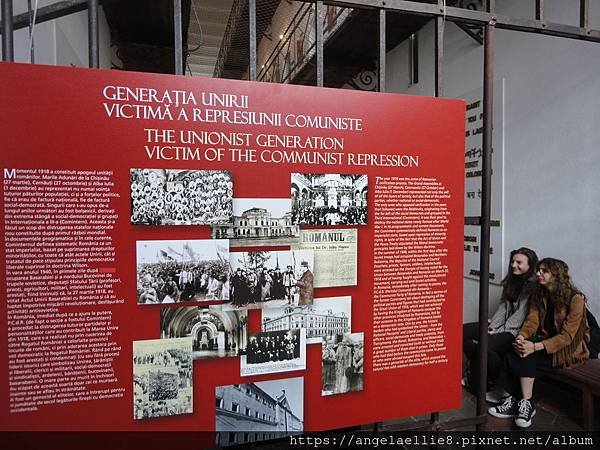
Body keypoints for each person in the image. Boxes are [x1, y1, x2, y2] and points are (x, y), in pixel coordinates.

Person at [488, 258, 590, 428]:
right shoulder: (540, 293)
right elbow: (531, 322)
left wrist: (533, 347)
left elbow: (567, 336)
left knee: (524, 357)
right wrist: (521, 337)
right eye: (538, 270)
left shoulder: (576, 299)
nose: (538, 274)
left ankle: (523, 403)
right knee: (515, 350)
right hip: (544, 341)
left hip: (568, 349)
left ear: (556, 275)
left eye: (544, 271)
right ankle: (520, 403)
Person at [463, 247, 538, 401]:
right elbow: (503, 307)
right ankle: (488, 375)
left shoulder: (532, 287)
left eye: (519, 262)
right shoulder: (511, 280)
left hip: (515, 331)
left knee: (484, 345)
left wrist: (498, 331)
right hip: (501, 326)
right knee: (462, 332)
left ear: (530, 265)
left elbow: (520, 316)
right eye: (512, 261)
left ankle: (477, 384)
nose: (513, 265)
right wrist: (493, 325)